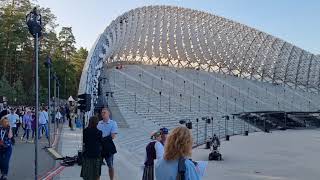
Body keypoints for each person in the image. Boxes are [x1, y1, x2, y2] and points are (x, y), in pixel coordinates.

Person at [97, 108, 118, 180]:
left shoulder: (113, 123)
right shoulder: (99, 123)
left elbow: (113, 136)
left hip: (108, 148)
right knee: (97, 166)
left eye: (104, 112)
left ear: (108, 113)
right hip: (100, 148)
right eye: (102, 112)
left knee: (110, 165)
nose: (102, 114)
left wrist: (102, 139)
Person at [81, 116, 103, 180]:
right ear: (97, 123)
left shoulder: (85, 131)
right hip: (96, 156)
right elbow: (100, 143)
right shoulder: (99, 132)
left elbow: (84, 142)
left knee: (86, 174)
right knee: (96, 174)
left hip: (87, 155)